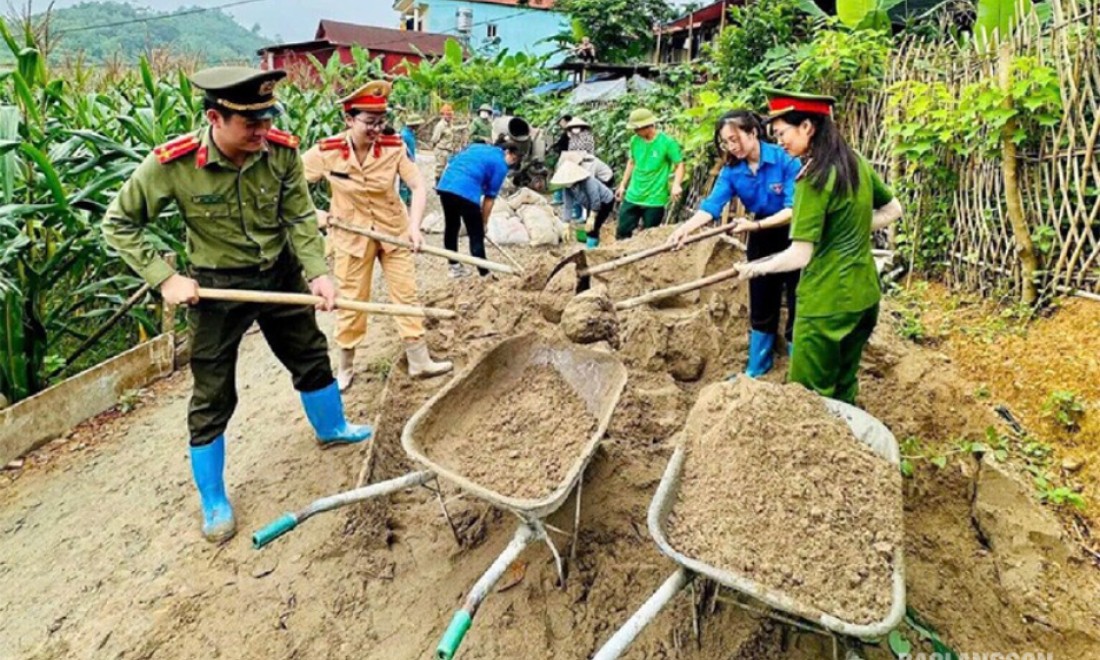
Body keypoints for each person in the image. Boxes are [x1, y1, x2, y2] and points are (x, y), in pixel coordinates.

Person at [101, 66, 371, 544]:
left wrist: (317, 272)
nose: (263, 132)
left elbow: (299, 216)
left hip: (279, 273)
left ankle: (333, 427)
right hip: (217, 287)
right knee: (213, 391)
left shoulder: (281, 152)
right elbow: (119, 223)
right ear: (215, 118)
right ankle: (214, 500)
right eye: (251, 124)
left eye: (267, 120)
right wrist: (165, 279)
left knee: (310, 354)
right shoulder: (174, 164)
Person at [734, 89, 903, 405]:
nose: (780, 142)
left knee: (809, 399)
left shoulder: (812, 179)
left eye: (783, 133)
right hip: (864, 296)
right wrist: (844, 229)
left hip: (825, 303)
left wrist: (755, 268)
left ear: (807, 127)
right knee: (843, 385)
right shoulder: (857, 163)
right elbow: (894, 210)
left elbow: (801, 254)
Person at [302, 81, 453, 391]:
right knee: (351, 302)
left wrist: (414, 228)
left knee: (405, 294)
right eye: (368, 122)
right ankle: (345, 367)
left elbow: (418, 186)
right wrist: (314, 214)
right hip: (351, 238)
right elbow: (290, 185)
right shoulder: (327, 152)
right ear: (348, 119)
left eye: (380, 121)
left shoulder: (393, 147)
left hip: (393, 233)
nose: (376, 129)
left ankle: (419, 360)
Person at [667, 110, 802, 378]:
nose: (731, 147)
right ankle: (758, 365)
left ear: (753, 133)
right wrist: (684, 230)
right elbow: (712, 207)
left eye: (735, 139)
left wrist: (756, 225)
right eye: (725, 142)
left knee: (798, 294)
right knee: (762, 295)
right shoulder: (732, 171)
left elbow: (794, 208)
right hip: (761, 236)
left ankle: (799, 363)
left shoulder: (785, 159)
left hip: (795, 233)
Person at [436, 141, 522, 278]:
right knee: (476, 234)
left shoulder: (476, 146)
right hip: (466, 190)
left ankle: (454, 267)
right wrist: (484, 223)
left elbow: (453, 160)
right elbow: (489, 199)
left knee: (452, 226)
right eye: (513, 158)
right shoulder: (501, 166)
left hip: (446, 185)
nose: (511, 163)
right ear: (506, 152)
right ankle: (485, 274)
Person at [616, 108, 685, 239]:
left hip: (655, 198)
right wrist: (622, 185)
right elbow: (632, 162)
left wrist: (676, 184)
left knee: (650, 237)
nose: (635, 132)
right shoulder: (634, 141)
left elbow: (679, 165)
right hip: (633, 195)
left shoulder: (667, 143)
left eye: (637, 129)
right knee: (622, 232)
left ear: (648, 126)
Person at [552, 160, 615, 249]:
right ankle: (594, 243)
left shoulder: (588, 181)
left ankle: (591, 249)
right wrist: (566, 223)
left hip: (605, 201)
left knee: (593, 227)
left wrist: (592, 216)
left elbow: (595, 199)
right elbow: (568, 206)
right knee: (589, 227)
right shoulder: (567, 188)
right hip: (590, 204)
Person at [431, 104, 460, 184]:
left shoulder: (450, 124)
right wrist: (436, 148)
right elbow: (434, 139)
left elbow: (454, 131)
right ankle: (437, 184)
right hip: (441, 149)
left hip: (449, 149)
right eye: (447, 114)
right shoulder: (440, 126)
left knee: (450, 167)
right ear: (443, 115)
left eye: (450, 114)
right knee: (440, 168)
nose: (449, 116)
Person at [399, 113, 423, 206]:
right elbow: (402, 150)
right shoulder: (404, 135)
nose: (419, 126)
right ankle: (402, 203)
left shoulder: (411, 133)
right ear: (413, 125)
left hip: (410, 162)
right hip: (405, 162)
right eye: (418, 124)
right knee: (404, 183)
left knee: (410, 182)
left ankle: (408, 200)